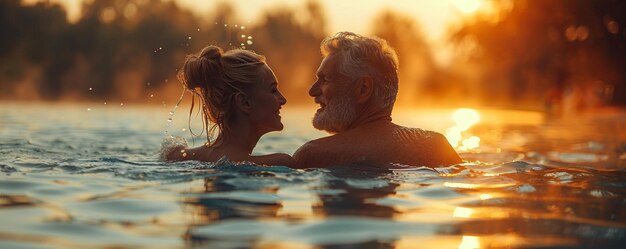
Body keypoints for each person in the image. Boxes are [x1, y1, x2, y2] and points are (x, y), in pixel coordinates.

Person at [293, 32, 462, 168]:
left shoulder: (315, 154)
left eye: (325, 80)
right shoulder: (435, 145)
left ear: (363, 89)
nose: (312, 91)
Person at [164, 45, 295, 166]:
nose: (283, 100)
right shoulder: (280, 163)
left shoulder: (176, 154)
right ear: (244, 102)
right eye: (273, 90)